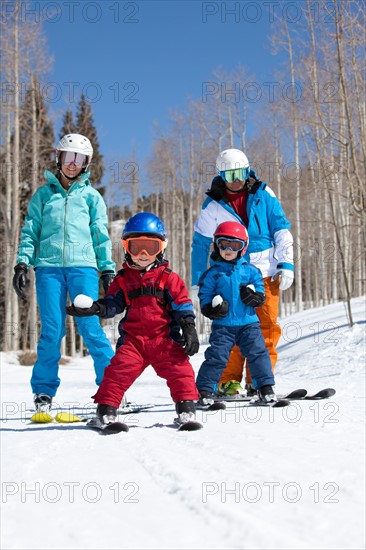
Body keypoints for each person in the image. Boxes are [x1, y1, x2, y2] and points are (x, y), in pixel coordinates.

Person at [13, 133, 116, 413]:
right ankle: (43, 393)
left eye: (79, 159)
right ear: (58, 158)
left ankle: (112, 389)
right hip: (48, 268)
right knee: (52, 331)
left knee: (90, 328)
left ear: (86, 164)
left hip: (83, 267)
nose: (72, 164)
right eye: (68, 157)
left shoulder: (91, 197)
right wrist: (22, 263)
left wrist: (107, 269)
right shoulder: (43, 196)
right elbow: (30, 231)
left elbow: (101, 236)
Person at [66, 212, 200, 427]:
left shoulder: (169, 278)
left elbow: (182, 305)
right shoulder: (122, 279)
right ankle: (106, 412)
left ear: (162, 247)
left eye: (151, 247)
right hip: (134, 342)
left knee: (181, 370)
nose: (144, 254)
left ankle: (186, 410)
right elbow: (112, 305)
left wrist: (189, 328)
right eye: (137, 247)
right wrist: (94, 308)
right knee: (117, 372)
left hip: (165, 340)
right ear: (127, 248)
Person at [192, 148, 294, 397]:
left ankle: (259, 382)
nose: (235, 179)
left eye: (239, 173)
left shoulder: (263, 193)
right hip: (228, 276)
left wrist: (287, 263)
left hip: (265, 273)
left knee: (266, 327)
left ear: (248, 171)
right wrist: (198, 281)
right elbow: (201, 243)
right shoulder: (213, 205)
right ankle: (229, 382)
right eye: (228, 175)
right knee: (231, 328)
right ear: (220, 176)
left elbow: (281, 228)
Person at [196, 221, 277, 406]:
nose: (228, 250)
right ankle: (205, 390)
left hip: (249, 324)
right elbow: (205, 295)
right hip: (223, 326)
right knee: (217, 356)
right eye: (224, 244)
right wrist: (210, 308)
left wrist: (255, 297)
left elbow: (260, 290)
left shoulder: (251, 271)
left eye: (235, 245)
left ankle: (265, 387)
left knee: (258, 353)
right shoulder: (213, 274)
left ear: (243, 247)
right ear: (217, 245)